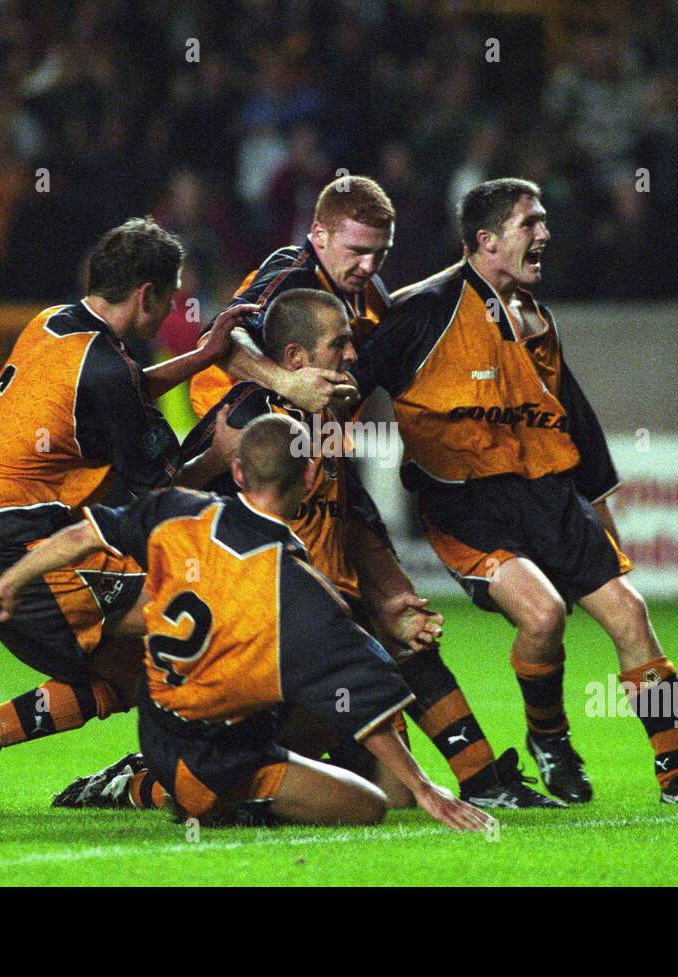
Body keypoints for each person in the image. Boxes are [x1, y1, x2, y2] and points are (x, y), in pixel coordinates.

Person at [58, 288, 560, 810]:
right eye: (339, 343)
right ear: (296, 358)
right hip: (266, 642)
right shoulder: (249, 416)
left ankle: (473, 781)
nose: (352, 355)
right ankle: (144, 784)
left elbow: (343, 514)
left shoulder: (327, 414)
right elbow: (172, 500)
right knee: (321, 738)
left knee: (390, 786)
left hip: (318, 619)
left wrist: (384, 591)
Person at [348, 179, 678, 807]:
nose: (545, 234)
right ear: (487, 240)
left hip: (551, 500)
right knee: (544, 615)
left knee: (631, 614)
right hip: (470, 509)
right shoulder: (424, 310)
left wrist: (602, 518)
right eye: (532, 224)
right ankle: (550, 737)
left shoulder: (534, 316)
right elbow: (351, 381)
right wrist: (315, 454)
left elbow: (575, 422)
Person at [0, 414, 493, 831]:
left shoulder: (177, 510)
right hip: (215, 757)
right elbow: (366, 703)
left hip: (163, 722)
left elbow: (83, 535)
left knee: (320, 709)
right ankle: (155, 791)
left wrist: (10, 581)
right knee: (374, 803)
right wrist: (426, 789)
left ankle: (170, 781)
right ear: (310, 480)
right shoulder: (297, 588)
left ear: (237, 471)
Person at [0, 218, 250, 812]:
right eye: (169, 298)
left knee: (128, 673)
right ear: (145, 295)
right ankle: (192, 778)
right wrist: (226, 454)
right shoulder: (105, 368)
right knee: (201, 624)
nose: (170, 313)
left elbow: (118, 387)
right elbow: (163, 496)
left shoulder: (51, 324)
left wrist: (202, 356)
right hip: (20, 553)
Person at [187, 174, 396, 419]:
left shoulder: (369, 291)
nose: (369, 266)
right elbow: (214, 339)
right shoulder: (291, 273)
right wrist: (287, 384)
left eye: (380, 253)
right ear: (320, 235)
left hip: (302, 431)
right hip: (231, 420)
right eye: (357, 251)